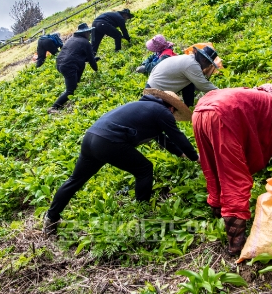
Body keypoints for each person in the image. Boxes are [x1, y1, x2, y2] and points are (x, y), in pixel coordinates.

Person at [43, 89, 199, 236]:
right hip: (109, 141)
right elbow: (177, 136)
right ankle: (142, 215)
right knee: (144, 169)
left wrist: (181, 153)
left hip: (91, 137)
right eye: (174, 112)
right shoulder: (163, 112)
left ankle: (51, 218)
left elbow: (162, 138)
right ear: (171, 107)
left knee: (75, 180)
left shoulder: (144, 108)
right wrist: (195, 157)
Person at [191, 84, 272, 255]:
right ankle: (236, 243)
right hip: (222, 115)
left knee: (212, 165)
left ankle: (216, 211)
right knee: (234, 176)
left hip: (199, 112)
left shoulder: (248, 96)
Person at [48, 23, 98, 114]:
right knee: (70, 91)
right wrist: (96, 70)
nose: (89, 34)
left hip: (60, 64)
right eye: (88, 33)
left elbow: (78, 56)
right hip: (69, 66)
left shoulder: (71, 39)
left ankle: (76, 82)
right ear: (84, 33)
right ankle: (53, 107)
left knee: (81, 64)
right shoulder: (85, 43)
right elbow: (91, 60)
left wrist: (93, 60)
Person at [146, 45, 219, 107]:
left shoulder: (188, 59)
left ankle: (189, 106)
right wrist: (221, 92)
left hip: (152, 86)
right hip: (155, 93)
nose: (208, 67)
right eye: (209, 64)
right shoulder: (192, 65)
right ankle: (188, 107)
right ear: (204, 60)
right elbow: (203, 85)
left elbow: (197, 84)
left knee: (189, 83)